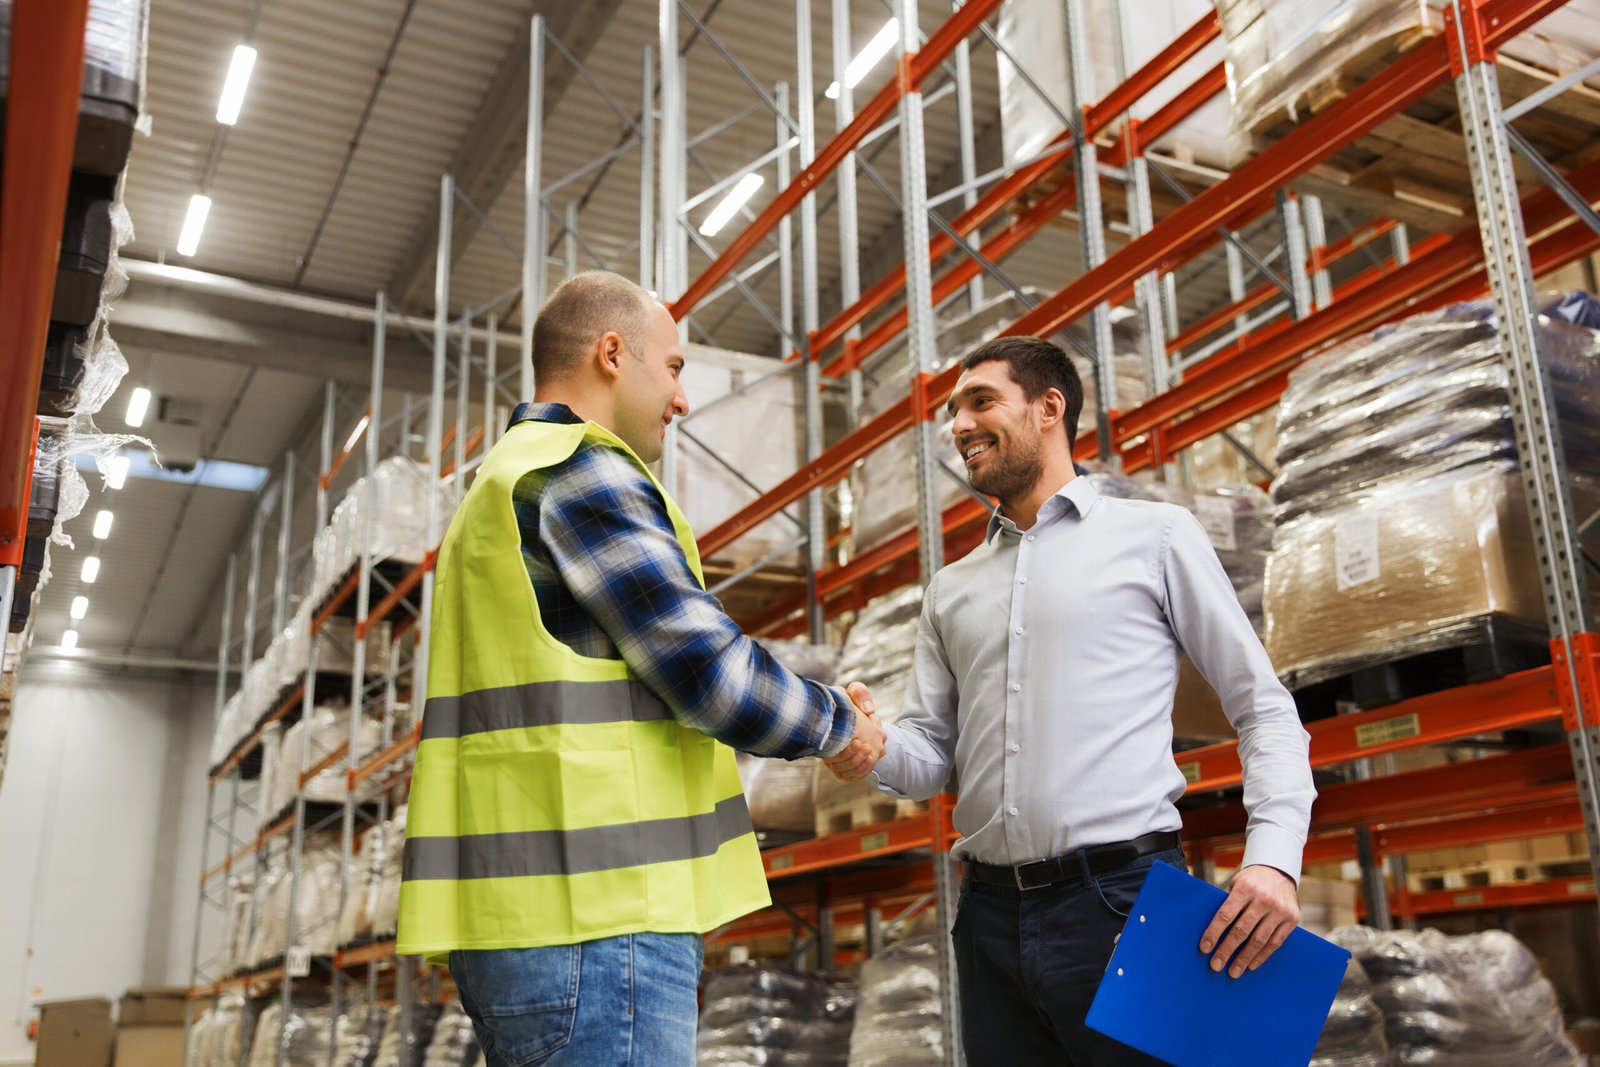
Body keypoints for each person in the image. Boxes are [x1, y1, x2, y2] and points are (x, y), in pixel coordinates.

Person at [396, 270, 884, 1066]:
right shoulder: (582, 471)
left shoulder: (502, 482)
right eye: (676, 367)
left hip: (525, 926)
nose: (683, 399)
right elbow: (707, 671)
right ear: (612, 354)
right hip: (600, 925)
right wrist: (840, 727)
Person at [827, 335, 1315, 1066]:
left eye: (980, 401)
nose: (958, 425)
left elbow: (1263, 706)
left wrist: (1273, 859)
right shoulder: (951, 588)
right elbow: (932, 754)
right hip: (988, 917)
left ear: (1050, 407)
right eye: (954, 411)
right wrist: (864, 742)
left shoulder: (1155, 537)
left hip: (1122, 903)